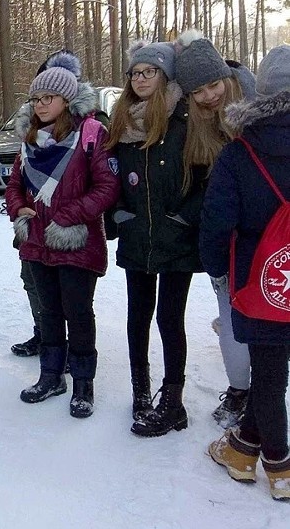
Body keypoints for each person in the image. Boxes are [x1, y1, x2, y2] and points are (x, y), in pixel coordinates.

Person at [5, 59, 120, 417]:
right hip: (36, 241)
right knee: (49, 311)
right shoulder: (29, 139)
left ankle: (83, 383)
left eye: (48, 97)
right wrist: (18, 208)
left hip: (76, 240)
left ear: (67, 100)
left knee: (78, 312)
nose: (40, 104)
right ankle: (51, 375)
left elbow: (107, 186)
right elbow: (15, 185)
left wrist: (69, 215)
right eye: (36, 97)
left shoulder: (90, 134)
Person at [201, 45, 290, 501]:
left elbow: (217, 221)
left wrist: (219, 271)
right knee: (276, 373)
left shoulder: (240, 152)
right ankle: (240, 448)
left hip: (259, 280)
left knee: (270, 373)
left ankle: (281, 467)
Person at [106, 41, 202, 437]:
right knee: (138, 315)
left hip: (175, 235)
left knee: (169, 318)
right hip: (136, 233)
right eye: (135, 72)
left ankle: (173, 401)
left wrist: (184, 217)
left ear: (164, 75)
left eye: (150, 72)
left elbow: (207, 175)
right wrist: (115, 214)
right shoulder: (121, 118)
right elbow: (108, 176)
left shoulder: (185, 118)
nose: (141, 79)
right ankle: (140, 390)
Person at [174, 31, 255, 427]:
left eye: (213, 84)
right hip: (226, 236)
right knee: (231, 313)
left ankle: (265, 390)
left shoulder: (257, 107)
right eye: (198, 90)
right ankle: (241, 389)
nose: (208, 95)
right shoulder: (196, 128)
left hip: (266, 234)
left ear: (227, 76)